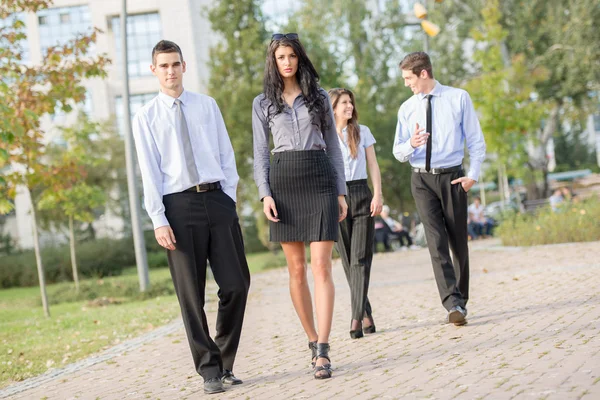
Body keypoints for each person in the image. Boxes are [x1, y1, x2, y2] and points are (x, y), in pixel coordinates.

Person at [132, 40, 250, 394]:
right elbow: (149, 171)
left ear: (185, 66)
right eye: (163, 66)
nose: (170, 71)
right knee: (191, 295)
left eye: (175, 64)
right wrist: (158, 218)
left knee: (236, 284)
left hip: (217, 199)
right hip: (177, 207)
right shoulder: (146, 117)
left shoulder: (206, 106)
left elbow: (225, 153)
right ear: (154, 70)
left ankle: (225, 358)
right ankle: (210, 369)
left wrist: (229, 197)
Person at [252, 33, 348, 379]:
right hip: (283, 183)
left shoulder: (319, 97)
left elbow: (335, 148)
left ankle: (323, 349)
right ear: (273, 62)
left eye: (292, 55)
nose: (287, 62)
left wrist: (340, 191)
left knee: (321, 266)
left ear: (300, 58)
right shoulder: (262, 103)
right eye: (281, 57)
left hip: (319, 178)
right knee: (296, 271)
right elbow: (260, 153)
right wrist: (265, 194)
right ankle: (311, 340)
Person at [393, 52, 486, 326]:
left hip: (453, 178)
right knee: (435, 241)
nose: (406, 84)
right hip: (421, 179)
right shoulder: (406, 108)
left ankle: (462, 300)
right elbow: (398, 152)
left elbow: (476, 141)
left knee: (458, 241)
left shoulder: (458, 98)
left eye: (409, 78)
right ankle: (451, 302)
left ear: (423, 73)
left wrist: (473, 176)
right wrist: (411, 143)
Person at [328, 88, 383, 339]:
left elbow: (373, 164)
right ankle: (367, 314)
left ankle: (355, 317)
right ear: (333, 107)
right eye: (343, 103)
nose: (349, 106)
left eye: (350, 102)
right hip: (336, 199)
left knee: (360, 258)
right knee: (349, 262)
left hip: (361, 195)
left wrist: (378, 194)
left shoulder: (363, 132)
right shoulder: (323, 135)